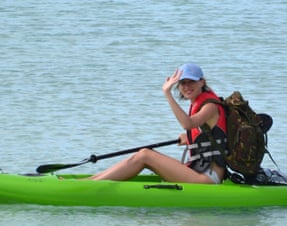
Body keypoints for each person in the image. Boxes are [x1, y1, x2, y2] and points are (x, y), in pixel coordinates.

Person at [89, 63, 228, 184]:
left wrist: (167, 93)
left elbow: (188, 124)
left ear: (202, 82)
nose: (186, 86)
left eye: (191, 82)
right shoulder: (200, 103)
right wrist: (192, 138)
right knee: (143, 154)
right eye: (183, 83)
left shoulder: (210, 106)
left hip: (208, 177)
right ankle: (89, 181)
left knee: (145, 155)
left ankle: (90, 185)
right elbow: (208, 132)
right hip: (199, 170)